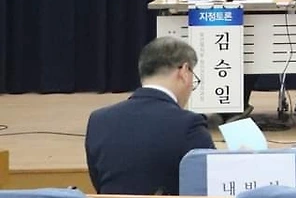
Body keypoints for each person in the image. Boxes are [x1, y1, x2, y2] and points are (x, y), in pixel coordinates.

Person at [85, 36, 215, 195]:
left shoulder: (98, 120)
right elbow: (210, 182)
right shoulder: (189, 124)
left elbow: (98, 181)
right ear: (184, 72)